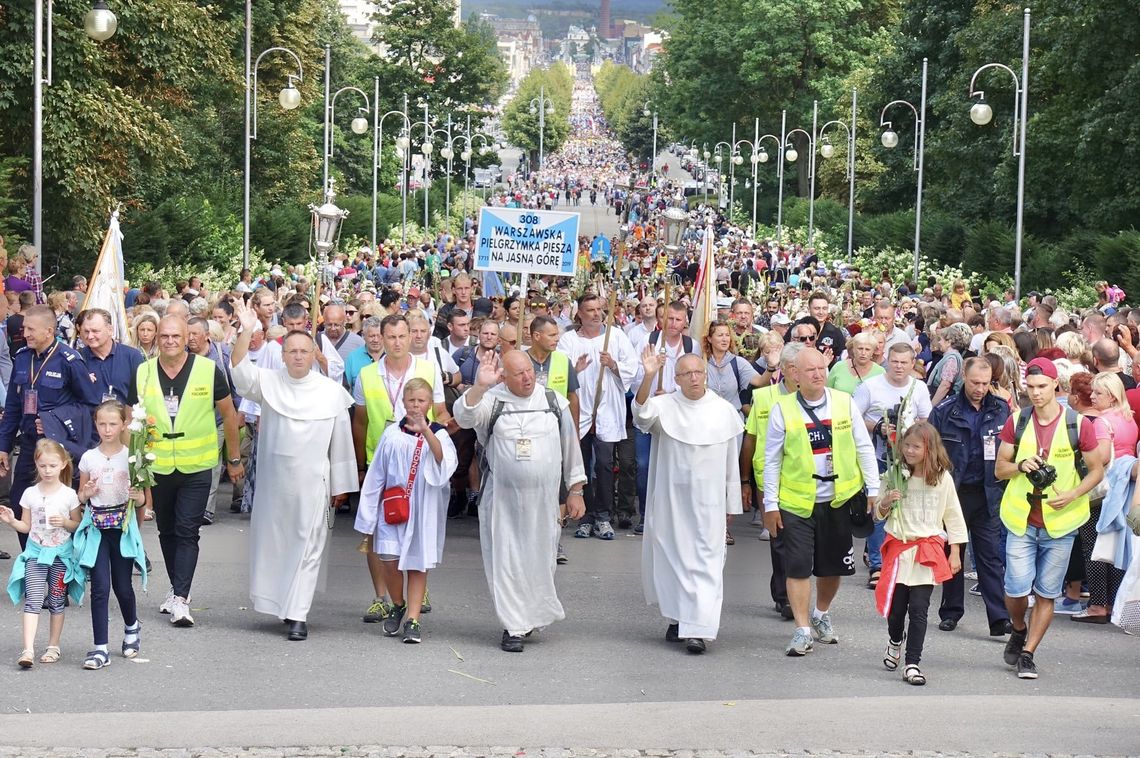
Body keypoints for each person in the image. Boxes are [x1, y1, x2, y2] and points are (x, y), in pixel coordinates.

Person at [229, 302, 358, 641]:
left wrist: (340, 487)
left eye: (304, 351)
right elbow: (240, 373)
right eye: (292, 351)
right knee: (277, 546)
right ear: (282, 355)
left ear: (314, 355)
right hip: (274, 487)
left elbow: (341, 443)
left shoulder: (331, 393)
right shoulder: (268, 383)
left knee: (308, 546)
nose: (298, 357)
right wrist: (245, 331)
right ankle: (282, 604)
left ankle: (299, 614)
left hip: (314, 486)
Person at [454, 350, 586, 653]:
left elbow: (571, 445)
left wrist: (576, 490)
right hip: (502, 499)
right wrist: (479, 386)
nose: (527, 377)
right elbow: (464, 417)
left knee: (540, 559)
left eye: (529, 371)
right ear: (504, 376)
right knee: (507, 560)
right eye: (519, 373)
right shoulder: (493, 400)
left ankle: (530, 615)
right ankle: (513, 625)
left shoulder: (553, 401)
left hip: (544, 502)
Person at [128, 315, 244, 628]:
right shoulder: (143, 372)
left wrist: (234, 459)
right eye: (163, 336)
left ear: (187, 338)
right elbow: (132, 420)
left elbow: (229, 414)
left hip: (197, 464)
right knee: (166, 530)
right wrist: (132, 466)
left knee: (187, 529)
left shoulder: (208, 370)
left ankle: (181, 597)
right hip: (160, 465)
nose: (169, 341)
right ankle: (175, 588)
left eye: (175, 336)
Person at [763, 348, 879, 656]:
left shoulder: (844, 402)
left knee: (832, 568)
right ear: (795, 375)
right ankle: (802, 630)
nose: (818, 374)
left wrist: (873, 488)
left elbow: (863, 447)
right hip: (796, 502)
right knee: (798, 567)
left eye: (821, 368)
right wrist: (770, 504)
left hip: (839, 499)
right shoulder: (782, 409)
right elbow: (771, 460)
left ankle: (821, 613)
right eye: (810, 369)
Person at [995, 357, 1105, 679]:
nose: (1036, 393)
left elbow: (1097, 470)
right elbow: (1000, 469)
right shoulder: (1017, 420)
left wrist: (1072, 494)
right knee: (1015, 588)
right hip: (1021, 519)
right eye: (1030, 387)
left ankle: (1028, 653)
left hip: (1062, 524)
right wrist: (1020, 465)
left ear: (1056, 385)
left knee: (1046, 592)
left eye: (1042, 386)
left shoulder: (1078, 423)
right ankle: (1018, 627)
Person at [634, 350, 743, 653]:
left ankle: (697, 629)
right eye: (687, 374)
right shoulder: (664, 405)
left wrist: (732, 503)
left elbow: (731, 463)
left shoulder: (723, 411)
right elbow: (641, 414)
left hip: (709, 502)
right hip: (671, 499)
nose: (694, 378)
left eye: (699, 372)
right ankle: (680, 617)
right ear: (677, 378)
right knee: (673, 558)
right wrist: (648, 375)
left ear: (705, 375)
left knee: (707, 561)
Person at [352, 315, 447, 624]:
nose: (396, 342)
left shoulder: (428, 369)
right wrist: (360, 464)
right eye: (390, 336)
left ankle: (418, 592)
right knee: (378, 531)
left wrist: (440, 434)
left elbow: (441, 412)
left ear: (411, 338)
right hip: (381, 462)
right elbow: (360, 422)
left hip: (419, 464)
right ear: (380, 337)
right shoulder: (367, 374)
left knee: (417, 528)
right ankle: (382, 598)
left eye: (401, 336)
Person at [357, 379, 457, 644]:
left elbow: (443, 462)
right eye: (412, 400)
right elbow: (377, 473)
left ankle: (413, 619)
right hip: (392, 507)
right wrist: (367, 515)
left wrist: (426, 432)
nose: (416, 405)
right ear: (403, 402)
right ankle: (398, 603)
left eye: (422, 401)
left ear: (429, 404)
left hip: (422, 508)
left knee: (417, 563)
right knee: (389, 561)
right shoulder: (392, 434)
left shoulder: (439, 433)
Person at [0, 306, 101, 552]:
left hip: (59, 447)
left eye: (30, 329)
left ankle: (64, 561)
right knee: (19, 501)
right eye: (25, 328)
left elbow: (90, 405)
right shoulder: (23, 357)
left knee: (62, 506)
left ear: (49, 331)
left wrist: (53, 418)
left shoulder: (69, 360)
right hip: (28, 443)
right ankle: (32, 558)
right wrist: (3, 446)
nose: (25, 334)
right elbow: (13, 404)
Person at [874, 422, 968, 686]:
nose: (910, 451)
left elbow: (953, 515)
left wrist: (956, 552)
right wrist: (886, 502)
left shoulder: (942, 478)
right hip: (899, 549)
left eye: (917, 446)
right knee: (895, 610)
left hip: (926, 550)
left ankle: (912, 663)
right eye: (907, 445)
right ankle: (895, 640)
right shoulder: (894, 473)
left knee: (919, 609)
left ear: (930, 449)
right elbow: (878, 514)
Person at [929, 357, 1013, 636]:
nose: (979, 388)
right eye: (975, 382)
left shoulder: (1001, 409)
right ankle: (951, 611)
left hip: (988, 492)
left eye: (985, 384)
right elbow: (931, 450)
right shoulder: (945, 411)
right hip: (954, 493)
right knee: (954, 552)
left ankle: (999, 617)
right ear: (964, 376)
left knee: (990, 556)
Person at [73, 401, 148, 669]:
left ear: (124, 424)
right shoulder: (88, 458)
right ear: (95, 424)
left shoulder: (132, 457)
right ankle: (100, 648)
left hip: (122, 528)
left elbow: (143, 503)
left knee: (123, 587)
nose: (107, 429)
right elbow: (80, 497)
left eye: (113, 424)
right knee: (100, 588)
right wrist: (87, 493)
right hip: (96, 528)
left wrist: (138, 499)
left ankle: (131, 626)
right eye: (102, 424)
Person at [558, 293, 638, 541]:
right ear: (579, 313)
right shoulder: (569, 339)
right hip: (579, 411)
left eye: (598, 309)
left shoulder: (615, 336)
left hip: (607, 409)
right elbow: (559, 371)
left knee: (604, 464)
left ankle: (604, 516)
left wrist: (613, 364)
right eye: (589, 310)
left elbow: (632, 367)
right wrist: (575, 370)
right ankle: (585, 516)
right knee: (580, 467)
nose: (595, 314)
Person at [854, 343, 933, 589]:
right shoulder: (870, 386)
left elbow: (926, 420)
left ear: (913, 364)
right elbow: (852, 417)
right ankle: (878, 565)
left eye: (904, 362)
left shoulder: (918, 388)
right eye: (895, 361)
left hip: (909, 458)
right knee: (880, 508)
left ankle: (897, 558)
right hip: (878, 457)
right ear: (887, 361)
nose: (899, 367)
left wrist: (911, 436)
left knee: (905, 507)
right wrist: (877, 427)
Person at [0, 439, 84, 668]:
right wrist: (11, 521)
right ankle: (27, 650)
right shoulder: (29, 493)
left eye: (53, 465)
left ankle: (53, 646)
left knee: (57, 601)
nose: (47, 470)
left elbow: (78, 524)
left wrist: (65, 522)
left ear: (64, 465)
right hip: (35, 555)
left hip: (60, 556)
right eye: (43, 465)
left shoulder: (69, 494)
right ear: (36, 465)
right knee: (33, 601)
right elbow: (26, 527)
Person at [741, 342, 804, 616]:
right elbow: (750, 439)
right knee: (779, 539)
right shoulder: (764, 397)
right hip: (770, 480)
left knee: (801, 542)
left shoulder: (816, 397)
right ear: (790, 370)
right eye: (805, 368)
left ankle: (795, 588)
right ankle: (784, 596)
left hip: (805, 480)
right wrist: (745, 481)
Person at [78, 309, 145, 404]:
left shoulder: (132, 356)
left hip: (125, 416)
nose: (90, 336)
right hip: (90, 416)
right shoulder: (77, 359)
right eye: (86, 331)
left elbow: (144, 393)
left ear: (110, 330)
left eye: (95, 331)